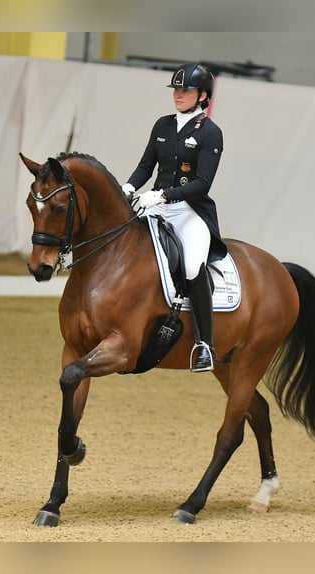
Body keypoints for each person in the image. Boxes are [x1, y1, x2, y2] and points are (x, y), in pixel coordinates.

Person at [122, 63, 227, 373]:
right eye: (176, 90)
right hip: (154, 203)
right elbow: (146, 166)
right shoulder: (163, 125)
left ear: (203, 95)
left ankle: (204, 343)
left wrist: (164, 195)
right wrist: (127, 187)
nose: (179, 95)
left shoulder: (210, 133)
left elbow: (202, 184)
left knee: (194, 266)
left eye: (186, 90)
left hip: (189, 212)